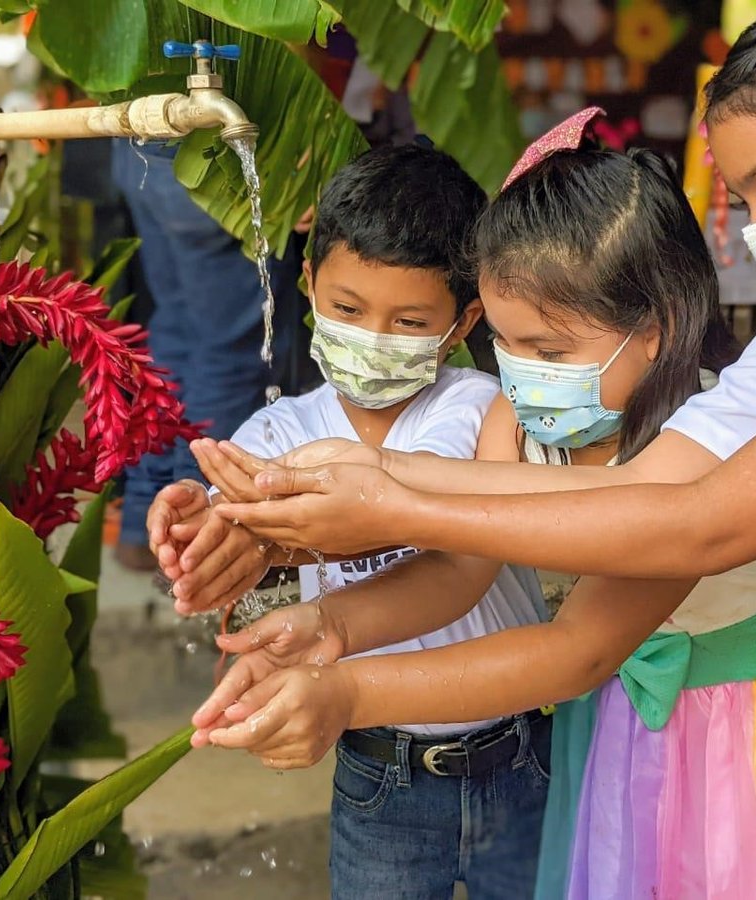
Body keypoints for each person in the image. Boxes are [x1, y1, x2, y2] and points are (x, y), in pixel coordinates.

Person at [192, 2, 756, 895]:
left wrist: (390, 506)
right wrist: (367, 475)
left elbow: (697, 527)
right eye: (746, 199)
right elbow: (657, 484)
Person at [187, 142, 553, 900]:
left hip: (520, 759)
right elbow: (239, 544)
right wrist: (203, 529)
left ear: (461, 324)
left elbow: (445, 528)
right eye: (348, 310)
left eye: (410, 319)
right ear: (308, 282)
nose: (374, 337)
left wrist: (279, 520)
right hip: (375, 771)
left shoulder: (479, 407)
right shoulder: (275, 433)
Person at [109, 138, 303, 569]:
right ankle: (197, 537)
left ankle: (147, 515)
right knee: (228, 353)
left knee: (178, 330)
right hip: (218, 154)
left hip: (146, 144)